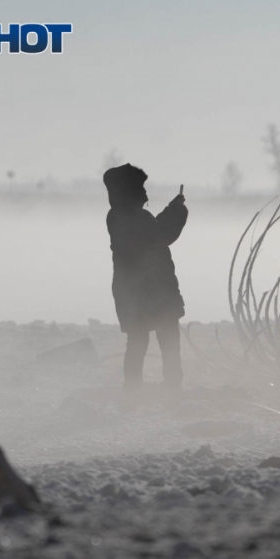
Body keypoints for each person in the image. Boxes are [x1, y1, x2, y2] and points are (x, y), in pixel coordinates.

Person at [104, 163, 188, 400]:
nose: (145, 194)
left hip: (131, 291)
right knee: (168, 339)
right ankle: (173, 390)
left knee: (138, 340)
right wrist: (177, 212)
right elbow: (161, 235)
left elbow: (154, 231)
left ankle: (132, 392)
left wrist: (171, 210)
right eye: (140, 188)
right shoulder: (135, 218)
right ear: (129, 191)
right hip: (155, 291)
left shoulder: (118, 216)